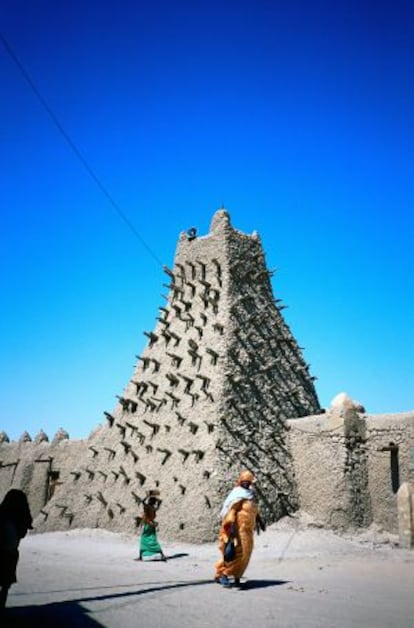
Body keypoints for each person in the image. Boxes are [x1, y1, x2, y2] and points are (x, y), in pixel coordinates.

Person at [214, 470, 265, 588]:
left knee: (246, 554)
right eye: (244, 482)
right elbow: (231, 511)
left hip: (248, 531)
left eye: (248, 482)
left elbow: (253, 510)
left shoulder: (250, 494)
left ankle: (236, 576)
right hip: (236, 530)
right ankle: (224, 575)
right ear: (240, 481)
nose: (246, 484)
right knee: (235, 553)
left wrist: (259, 521)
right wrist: (231, 527)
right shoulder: (238, 494)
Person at [0, 489, 33, 609]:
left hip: (7, 552)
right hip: (10, 553)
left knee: (4, 582)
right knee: (5, 583)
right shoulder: (21, 515)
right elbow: (23, 532)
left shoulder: (3, 512)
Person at [137, 491, 167, 562]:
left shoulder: (147, 507)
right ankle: (161, 554)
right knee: (153, 540)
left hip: (148, 525)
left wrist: (147, 496)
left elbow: (142, 502)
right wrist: (159, 502)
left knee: (143, 540)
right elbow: (158, 506)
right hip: (152, 525)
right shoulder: (153, 509)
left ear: (149, 501)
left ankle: (141, 556)